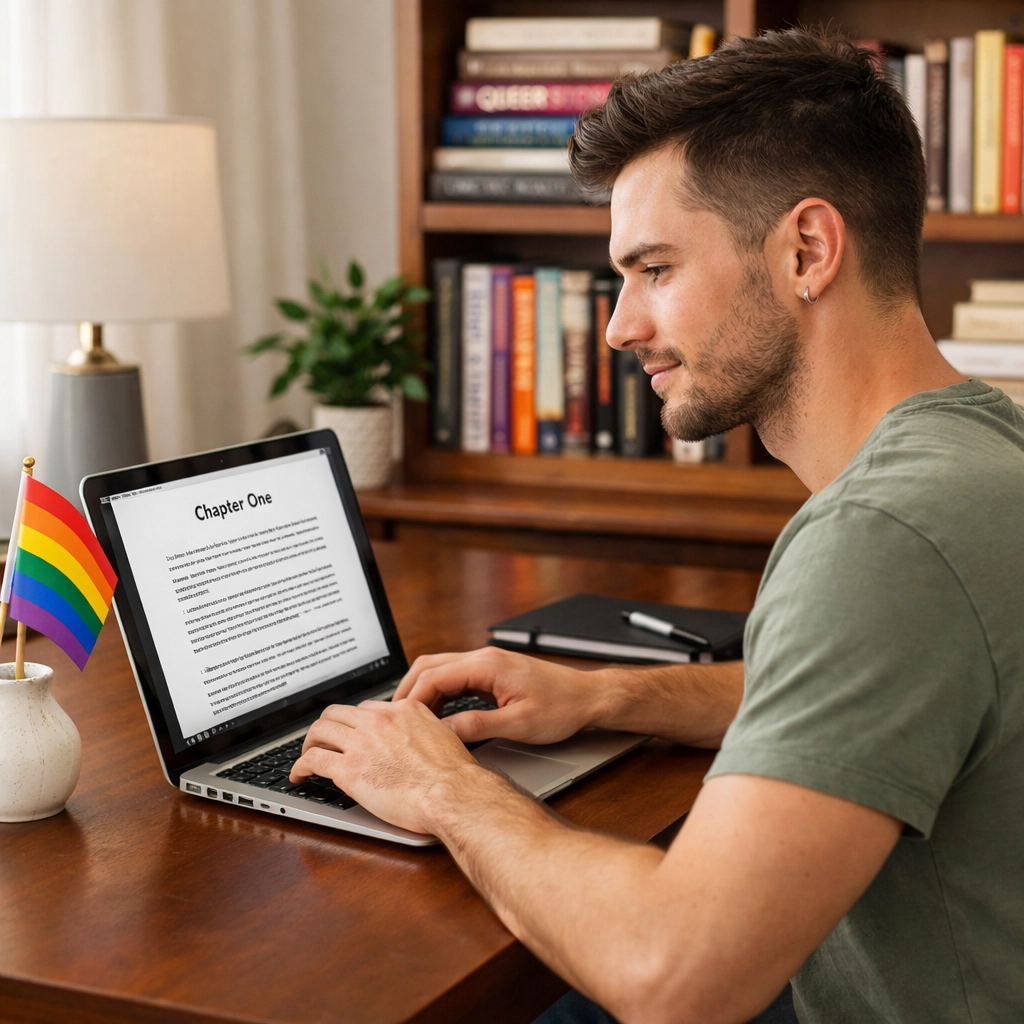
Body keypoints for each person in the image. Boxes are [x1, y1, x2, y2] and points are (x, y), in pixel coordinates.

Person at [291, 28, 1024, 1024]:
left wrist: (441, 788)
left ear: (807, 251)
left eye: (655, 268)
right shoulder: (983, 451)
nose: (617, 326)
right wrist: (608, 695)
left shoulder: (882, 536)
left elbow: (676, 975)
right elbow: (876, 693)